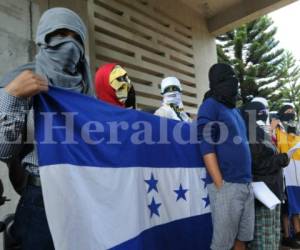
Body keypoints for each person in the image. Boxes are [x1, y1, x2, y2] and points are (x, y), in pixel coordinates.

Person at [0, 8, 94, 250]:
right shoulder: (21, 81)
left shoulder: (88, 92)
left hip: (87, 199)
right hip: (42, 201)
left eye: (76, 37)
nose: (70, 44)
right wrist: (13, 97)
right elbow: (4, 149)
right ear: (43, 37)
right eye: (60, 34)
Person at [197, 63, 254, 250]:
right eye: (228, 78)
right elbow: (206, 146)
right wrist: (220, 184)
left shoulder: (235, 111)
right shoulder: (209, 106)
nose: (234, 82)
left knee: (242, 239)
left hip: (246, 184)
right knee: (222, 244)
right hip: (226, 185)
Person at [241, 98, 289, 250]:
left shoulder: (261, 132)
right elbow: (257, 164)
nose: (265, 115)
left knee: (274, 236)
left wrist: (283, 159)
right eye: (261, 112)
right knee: (264, 240)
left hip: (274, 191)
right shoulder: (251, 133)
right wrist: (281, 159)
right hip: (263, 194)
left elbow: (270, 157)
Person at [275, 104, 300, 248]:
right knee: (287, 206)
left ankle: (297, 232)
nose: (291, 114)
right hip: (284, 173)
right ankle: (287, 236)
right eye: (287, 111)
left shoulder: (298, 131)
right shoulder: (277, 130)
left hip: (298, 175)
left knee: (297, 205)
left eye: (293, 111)